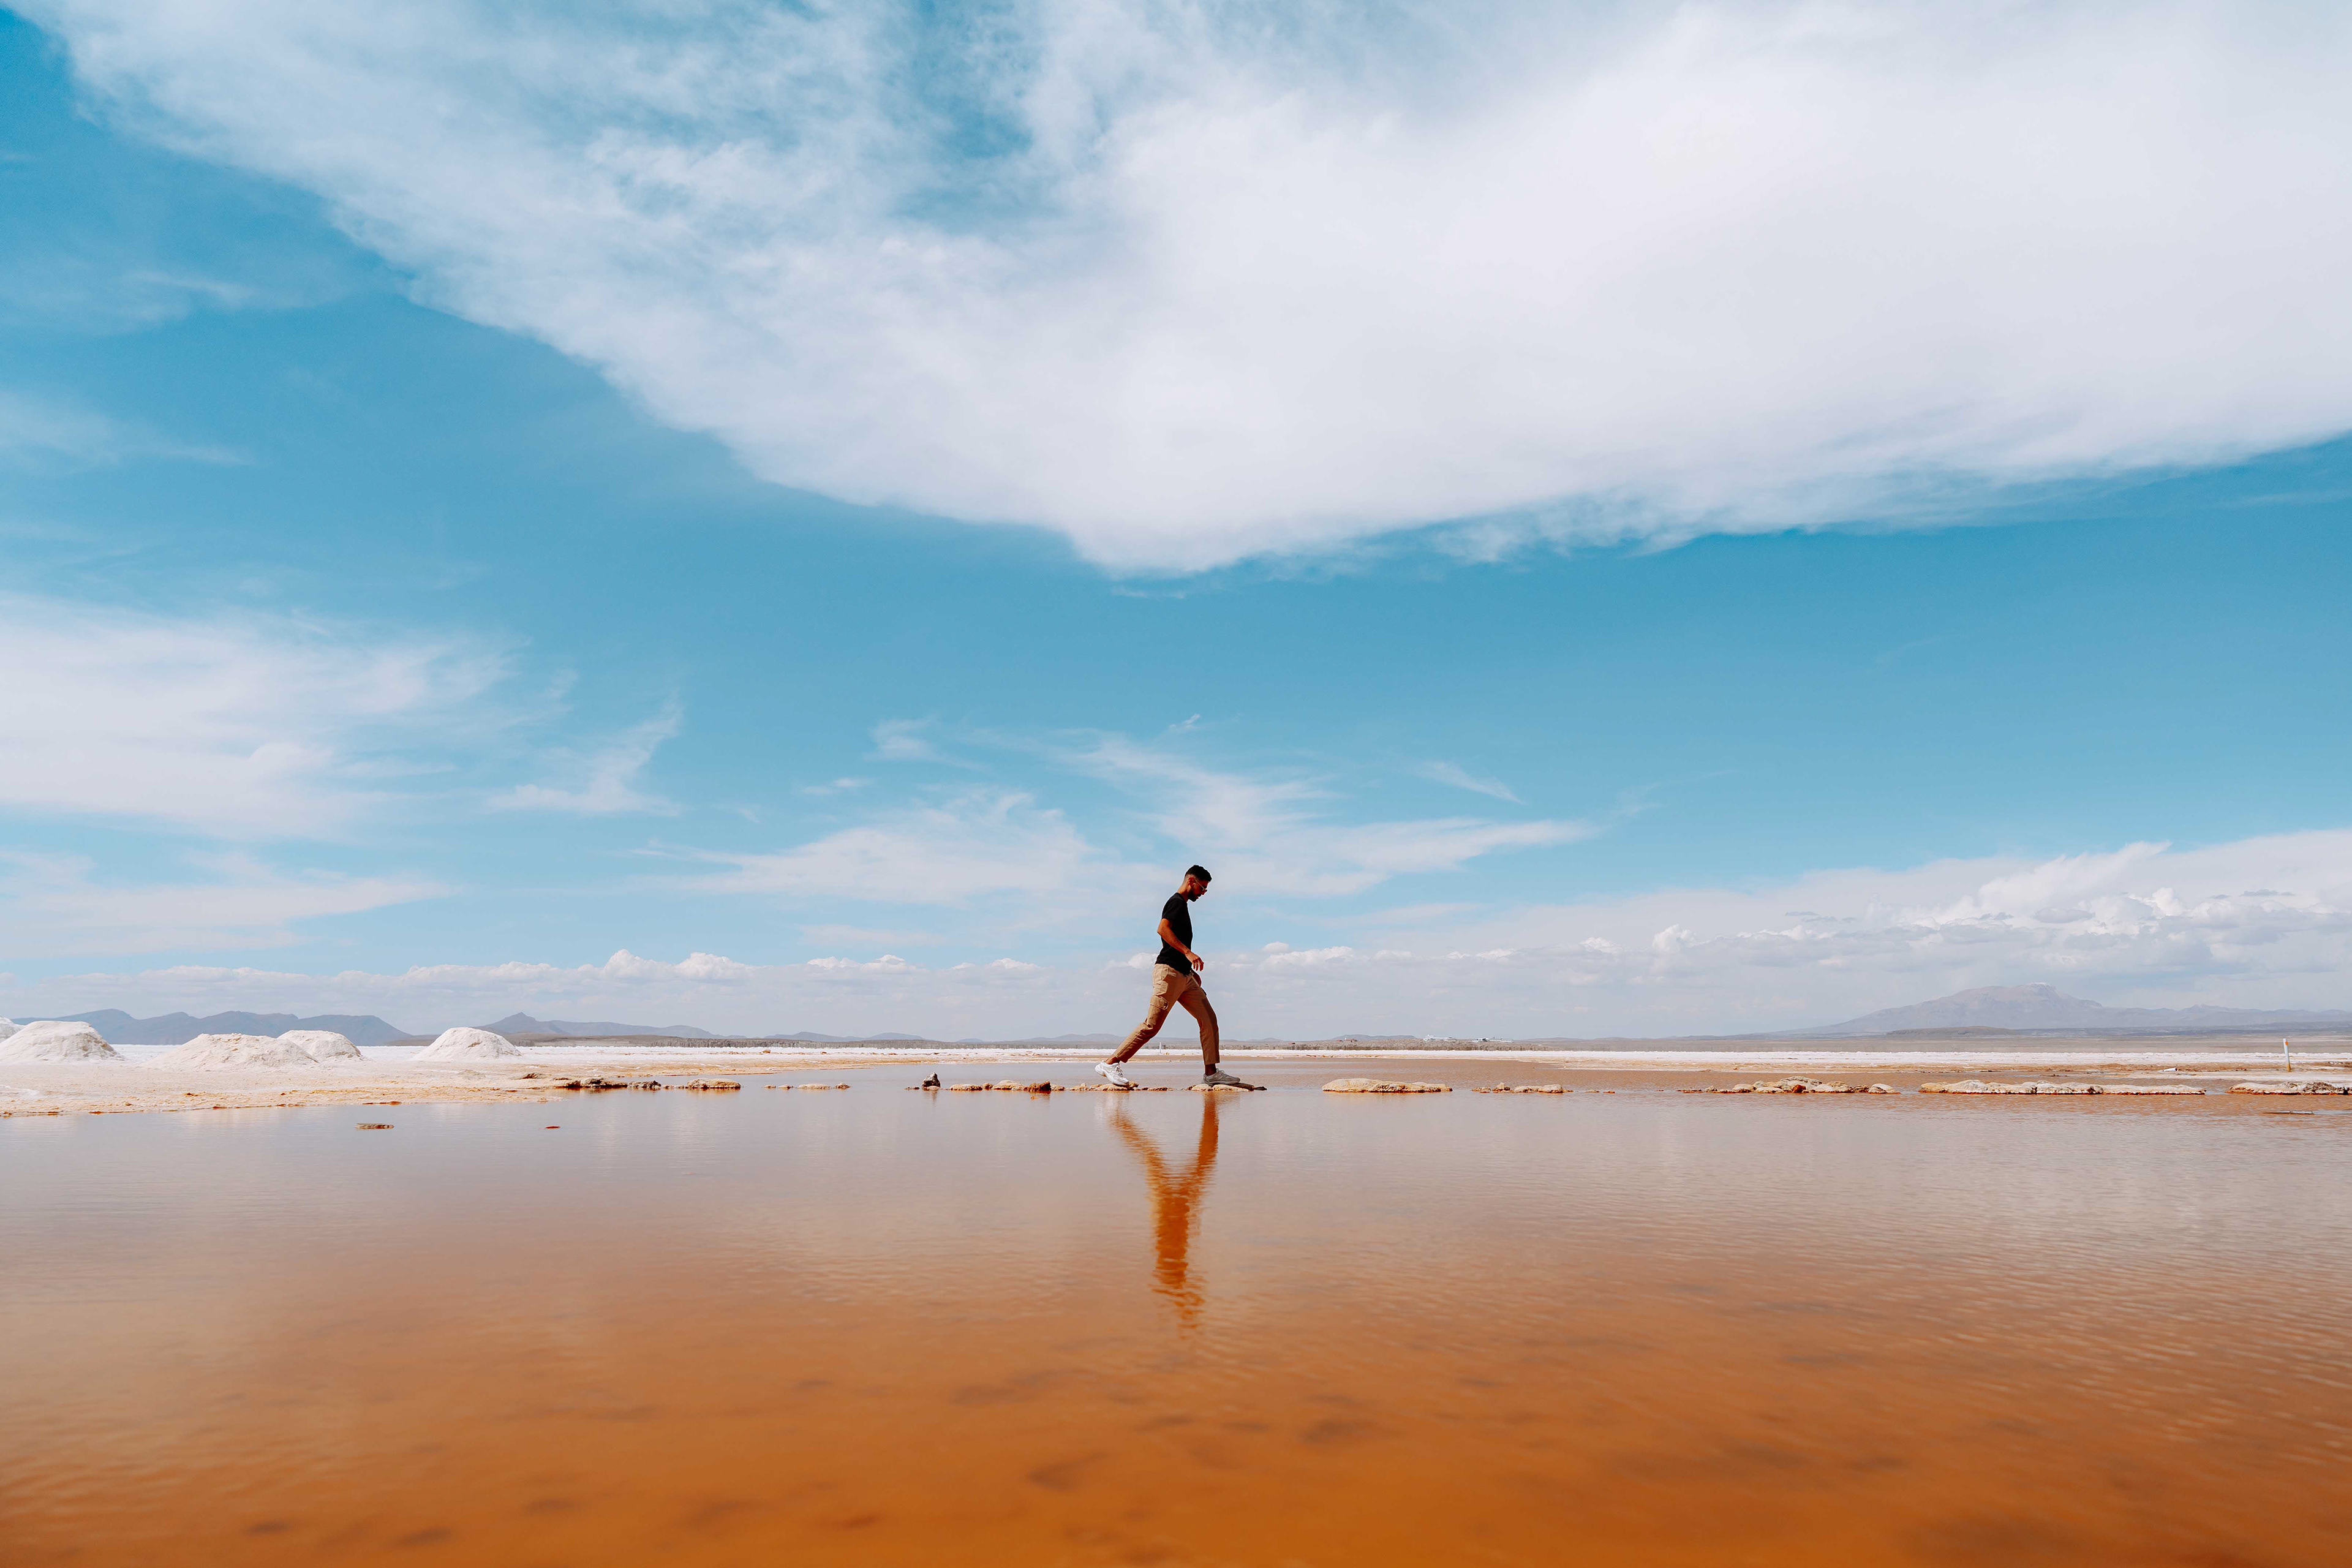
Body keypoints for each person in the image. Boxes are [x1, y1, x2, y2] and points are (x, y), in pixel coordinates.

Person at [1098, 865, 1252, 1088]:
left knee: (1209, 1019)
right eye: (1202, 888)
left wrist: (1190, 972)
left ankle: (1211, 1073)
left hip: (1184, 976)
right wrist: (1188, 953)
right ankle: (1111, 1063)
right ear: (1191, 881)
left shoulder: (1184, 906)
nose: (1203, 893)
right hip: (1168, 973)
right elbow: (1163, 929)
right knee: (1152, 1026)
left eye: (1206, 890)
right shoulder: (1176, 902)